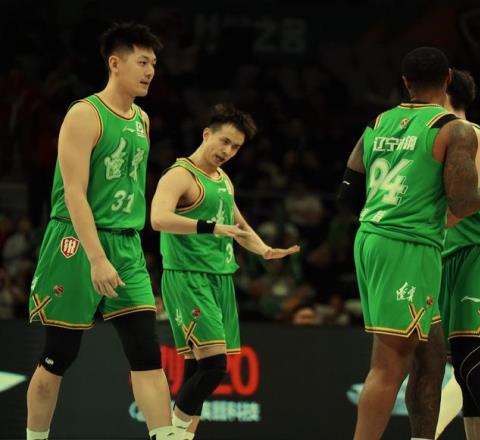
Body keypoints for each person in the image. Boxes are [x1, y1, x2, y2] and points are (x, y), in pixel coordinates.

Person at [337, 47, 480, 440]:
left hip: (373, 238)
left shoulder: (377, 123)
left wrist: (384, 216)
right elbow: (463, 204)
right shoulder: (454, 129)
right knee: (389, 365)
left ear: (405, 81)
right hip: (408, 245)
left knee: (432, 355)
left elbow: (347, 194)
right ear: (447, 78)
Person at [27, 22, 177, 440]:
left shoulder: (142, 119)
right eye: (142, 62)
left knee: (146, 353)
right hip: (76, 242)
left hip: (126, 244)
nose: (151, 71)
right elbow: (73, 193)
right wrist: (96, 258)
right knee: (59, 354)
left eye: (154, 63)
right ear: (115, 63)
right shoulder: (84, 114)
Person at [151, 103, 300, 439]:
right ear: (207, 134)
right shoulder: (180, 174)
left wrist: (264, 250)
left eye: (236, 147)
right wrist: (211, 227)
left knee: (196, 369)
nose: (228, 151)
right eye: (225, 142)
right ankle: (169, 435)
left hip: (220, 278)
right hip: (188, 277)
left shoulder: (223, 179)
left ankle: (181, 436)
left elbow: (238, 224)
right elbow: (158, 218)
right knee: (215, 367)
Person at [437, 68, 480, 440]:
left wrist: (417, 227)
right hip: (457, 254)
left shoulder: (468, 133)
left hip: (479, 252)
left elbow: (466, 202)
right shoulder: (451, 137)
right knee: (465, 369)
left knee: (470, 360)